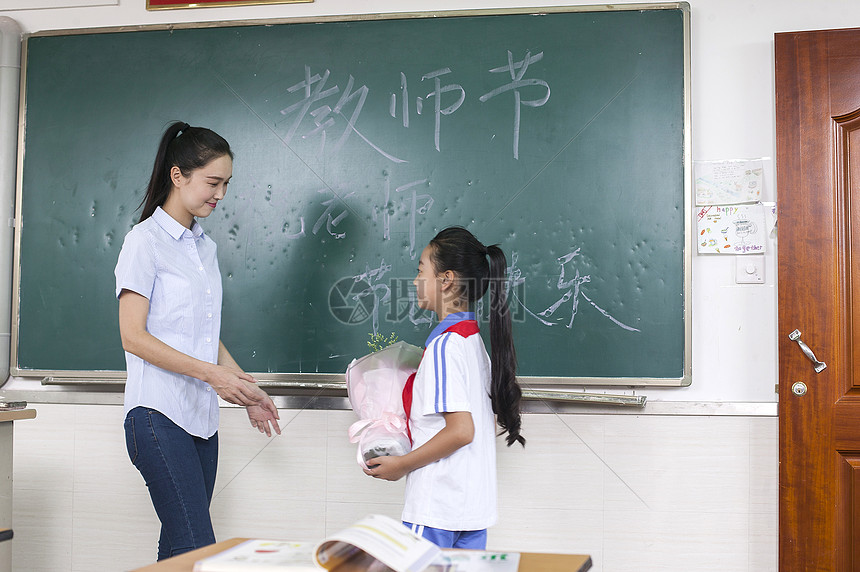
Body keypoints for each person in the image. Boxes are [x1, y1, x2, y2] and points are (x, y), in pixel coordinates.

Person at [115, 121, 281, 560]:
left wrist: (244, 387)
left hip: (202, 421)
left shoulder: (204, 247)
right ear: (178, 176)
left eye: (226, 183)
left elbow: (203, 333)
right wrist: (213, 376)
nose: (221, 194)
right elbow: (133, 336)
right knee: (198, 552)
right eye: (213, 182)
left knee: (178, 553)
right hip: (157, 414)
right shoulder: (143, 242)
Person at [364, 226, 525, 549]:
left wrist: (400, 466)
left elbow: (461, 431)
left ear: (446, 279)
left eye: (420, 270)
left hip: (437, 506)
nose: (415, 281)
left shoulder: (445, 346)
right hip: (471, 507)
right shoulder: (472, 341)